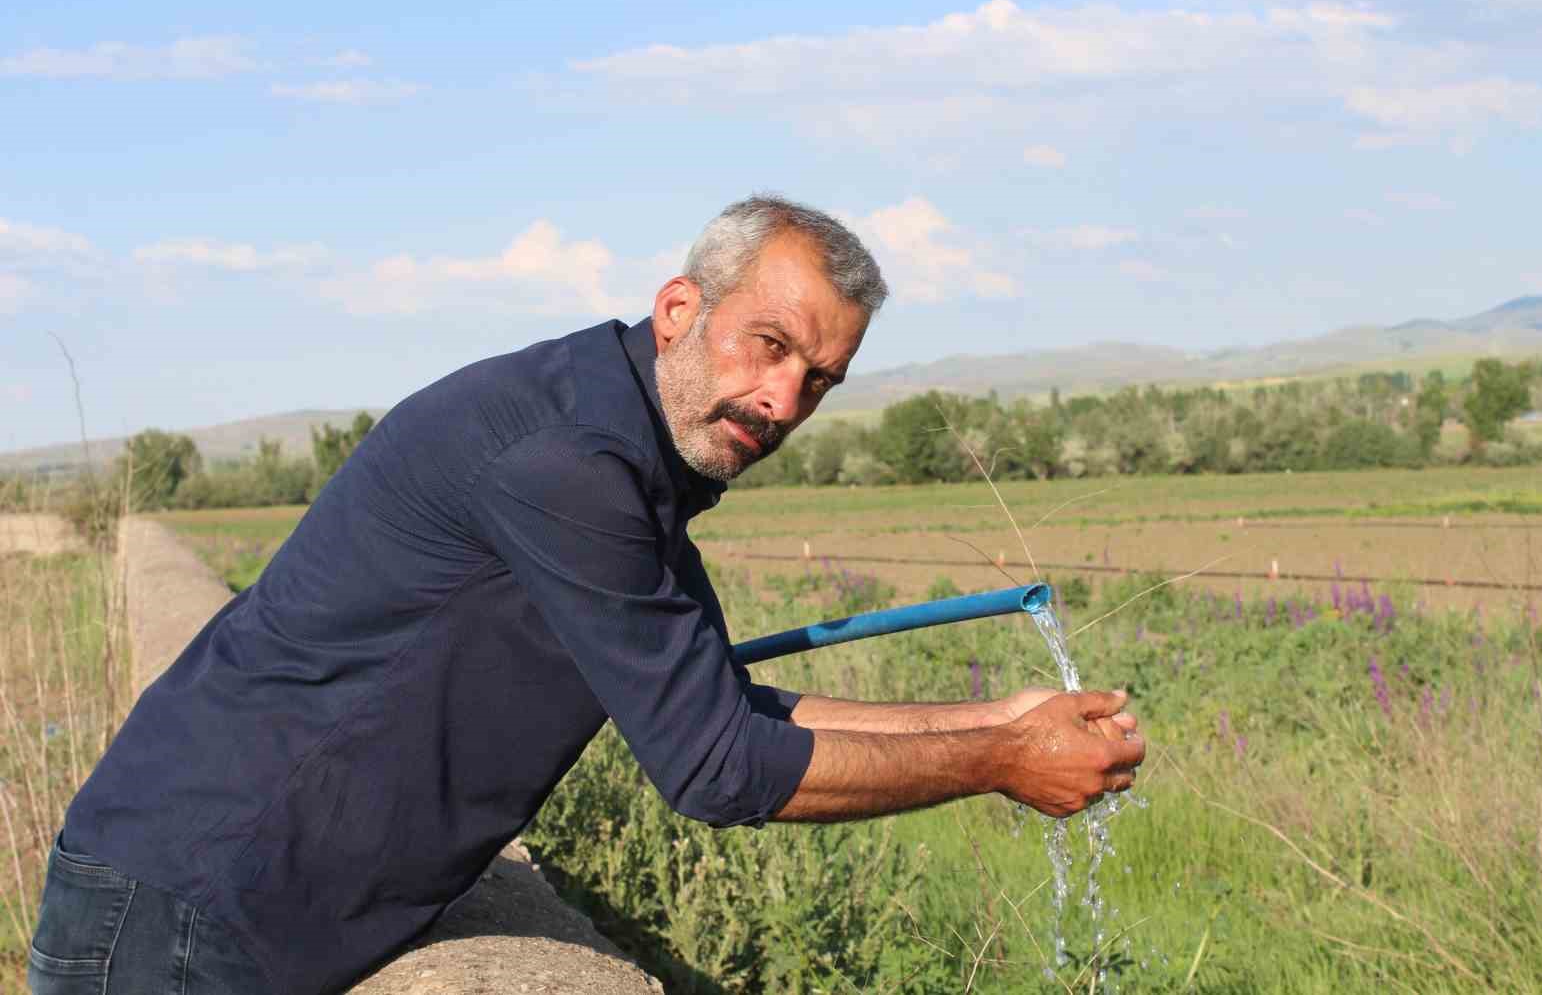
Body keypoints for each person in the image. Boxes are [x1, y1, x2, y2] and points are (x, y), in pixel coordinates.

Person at [31, 195, 1144, 994]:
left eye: (818, 380)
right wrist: (998, 764)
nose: (781, 400)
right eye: (769, 346)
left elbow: (721, 708)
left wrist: (1000, 721)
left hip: (232, 901)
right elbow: (715, 770)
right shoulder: (567, 461)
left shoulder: (627, 450)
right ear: (677, 308)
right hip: (186, 915)